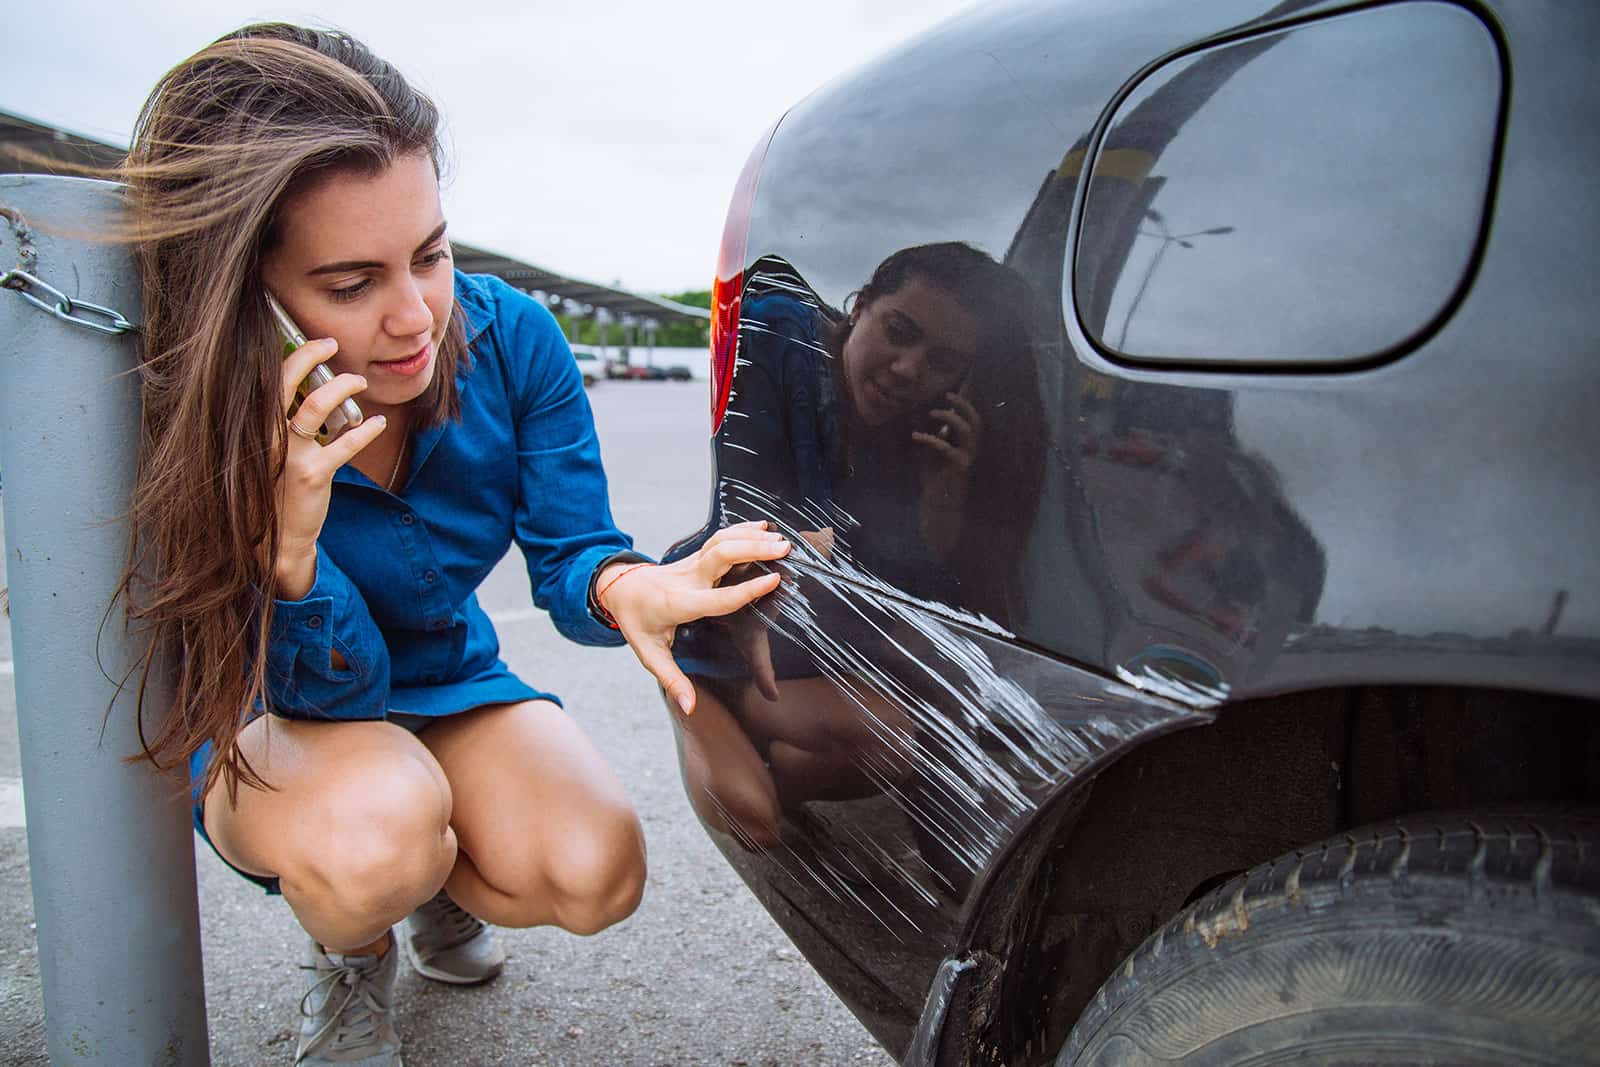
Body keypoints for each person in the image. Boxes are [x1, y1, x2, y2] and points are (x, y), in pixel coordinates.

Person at [113, 23, 789, 1066]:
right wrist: (289, 550)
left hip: (445, 676)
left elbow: (572, 550)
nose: (415, 316)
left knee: (594, 866)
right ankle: (354, 938)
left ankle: (423, 868)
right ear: (247, 294)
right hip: (280, 703)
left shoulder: (512, 335)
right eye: (350, 283)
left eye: (430, 254)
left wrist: (625, 586)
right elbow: (321, 688)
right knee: (375, 833)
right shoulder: (194, 409)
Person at [675, 245, 1044, 856]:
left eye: (942, 361)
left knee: (897, 740)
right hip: (728, 626)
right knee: (751, 815)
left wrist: (945, 501)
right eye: (899, 332)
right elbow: (750, 525)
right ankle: (691, 684)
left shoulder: (916, 439)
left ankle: (767, 733)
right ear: (861, 304)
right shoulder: (782, 354)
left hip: (809, 648)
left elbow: (932, 603)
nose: (906, 370)